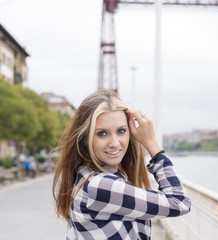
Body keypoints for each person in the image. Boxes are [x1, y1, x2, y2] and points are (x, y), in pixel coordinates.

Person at [52, 89, 190, 240]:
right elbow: (180, 202)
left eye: (121, 131)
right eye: (102, 133)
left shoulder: (86, 174)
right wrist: (152, 145)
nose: (115, 143)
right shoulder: (100, 185)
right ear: (85, 138)